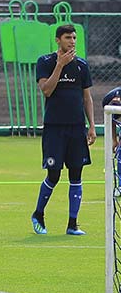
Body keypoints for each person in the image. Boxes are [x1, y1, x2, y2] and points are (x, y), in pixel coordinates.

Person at [32, 24, 95, 235]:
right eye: (68, 37)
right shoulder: (45, 62)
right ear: (58, 40)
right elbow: (46, 91)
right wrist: (59, 66)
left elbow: (87, 98)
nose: (72, 41)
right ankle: (38, 214)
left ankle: (72, 223)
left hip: (77, 128)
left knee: (76, 174)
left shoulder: (82, 65)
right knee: (54, 174)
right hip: (54, 128)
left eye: (75, 38)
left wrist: (92, 126)